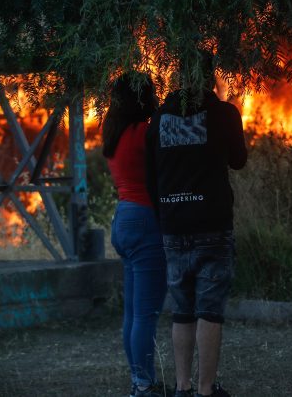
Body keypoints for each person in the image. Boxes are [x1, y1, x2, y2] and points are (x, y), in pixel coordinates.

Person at [146, 54, 247, 397]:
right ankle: (205, 390)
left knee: (182, 310)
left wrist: (166, 217)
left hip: (174, 226)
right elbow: (239, 160)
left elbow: (151, 177)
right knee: (209, 310)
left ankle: (182, 387)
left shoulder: (158, 119)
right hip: (212, 225)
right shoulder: (224, 114)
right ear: (208, 79)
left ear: (176, 78)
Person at [103, 72, 169, 397]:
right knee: (146, 314)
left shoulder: (113, 133)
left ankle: (139, 381)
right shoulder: (146, 132)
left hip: (123, 217)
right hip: (145, 221)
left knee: (132, 312)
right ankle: (143, 385)